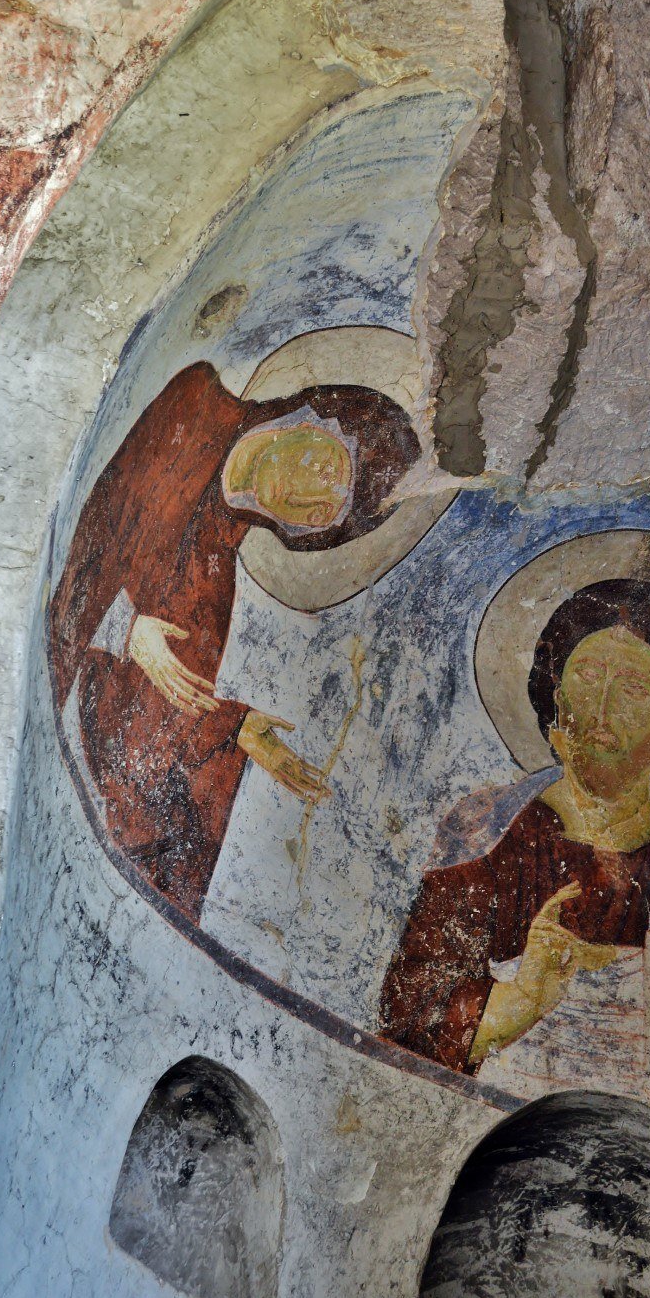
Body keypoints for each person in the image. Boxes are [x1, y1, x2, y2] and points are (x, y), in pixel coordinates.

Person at [51, 356, 420, 920]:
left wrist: (231, 728)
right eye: (328, 472)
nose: (311, 500)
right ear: (309, 423)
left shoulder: (212, 577)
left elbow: (144, 739)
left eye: (329, 511)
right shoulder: (195, 403)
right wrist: (121, 630)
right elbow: (79, 562)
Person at [379, 578, 650, 1076]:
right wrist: (525, 999)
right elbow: (410, 1021)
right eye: (588, 675)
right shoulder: (483, 835)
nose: (604, 703)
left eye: (633, 688)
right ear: (557, 698)